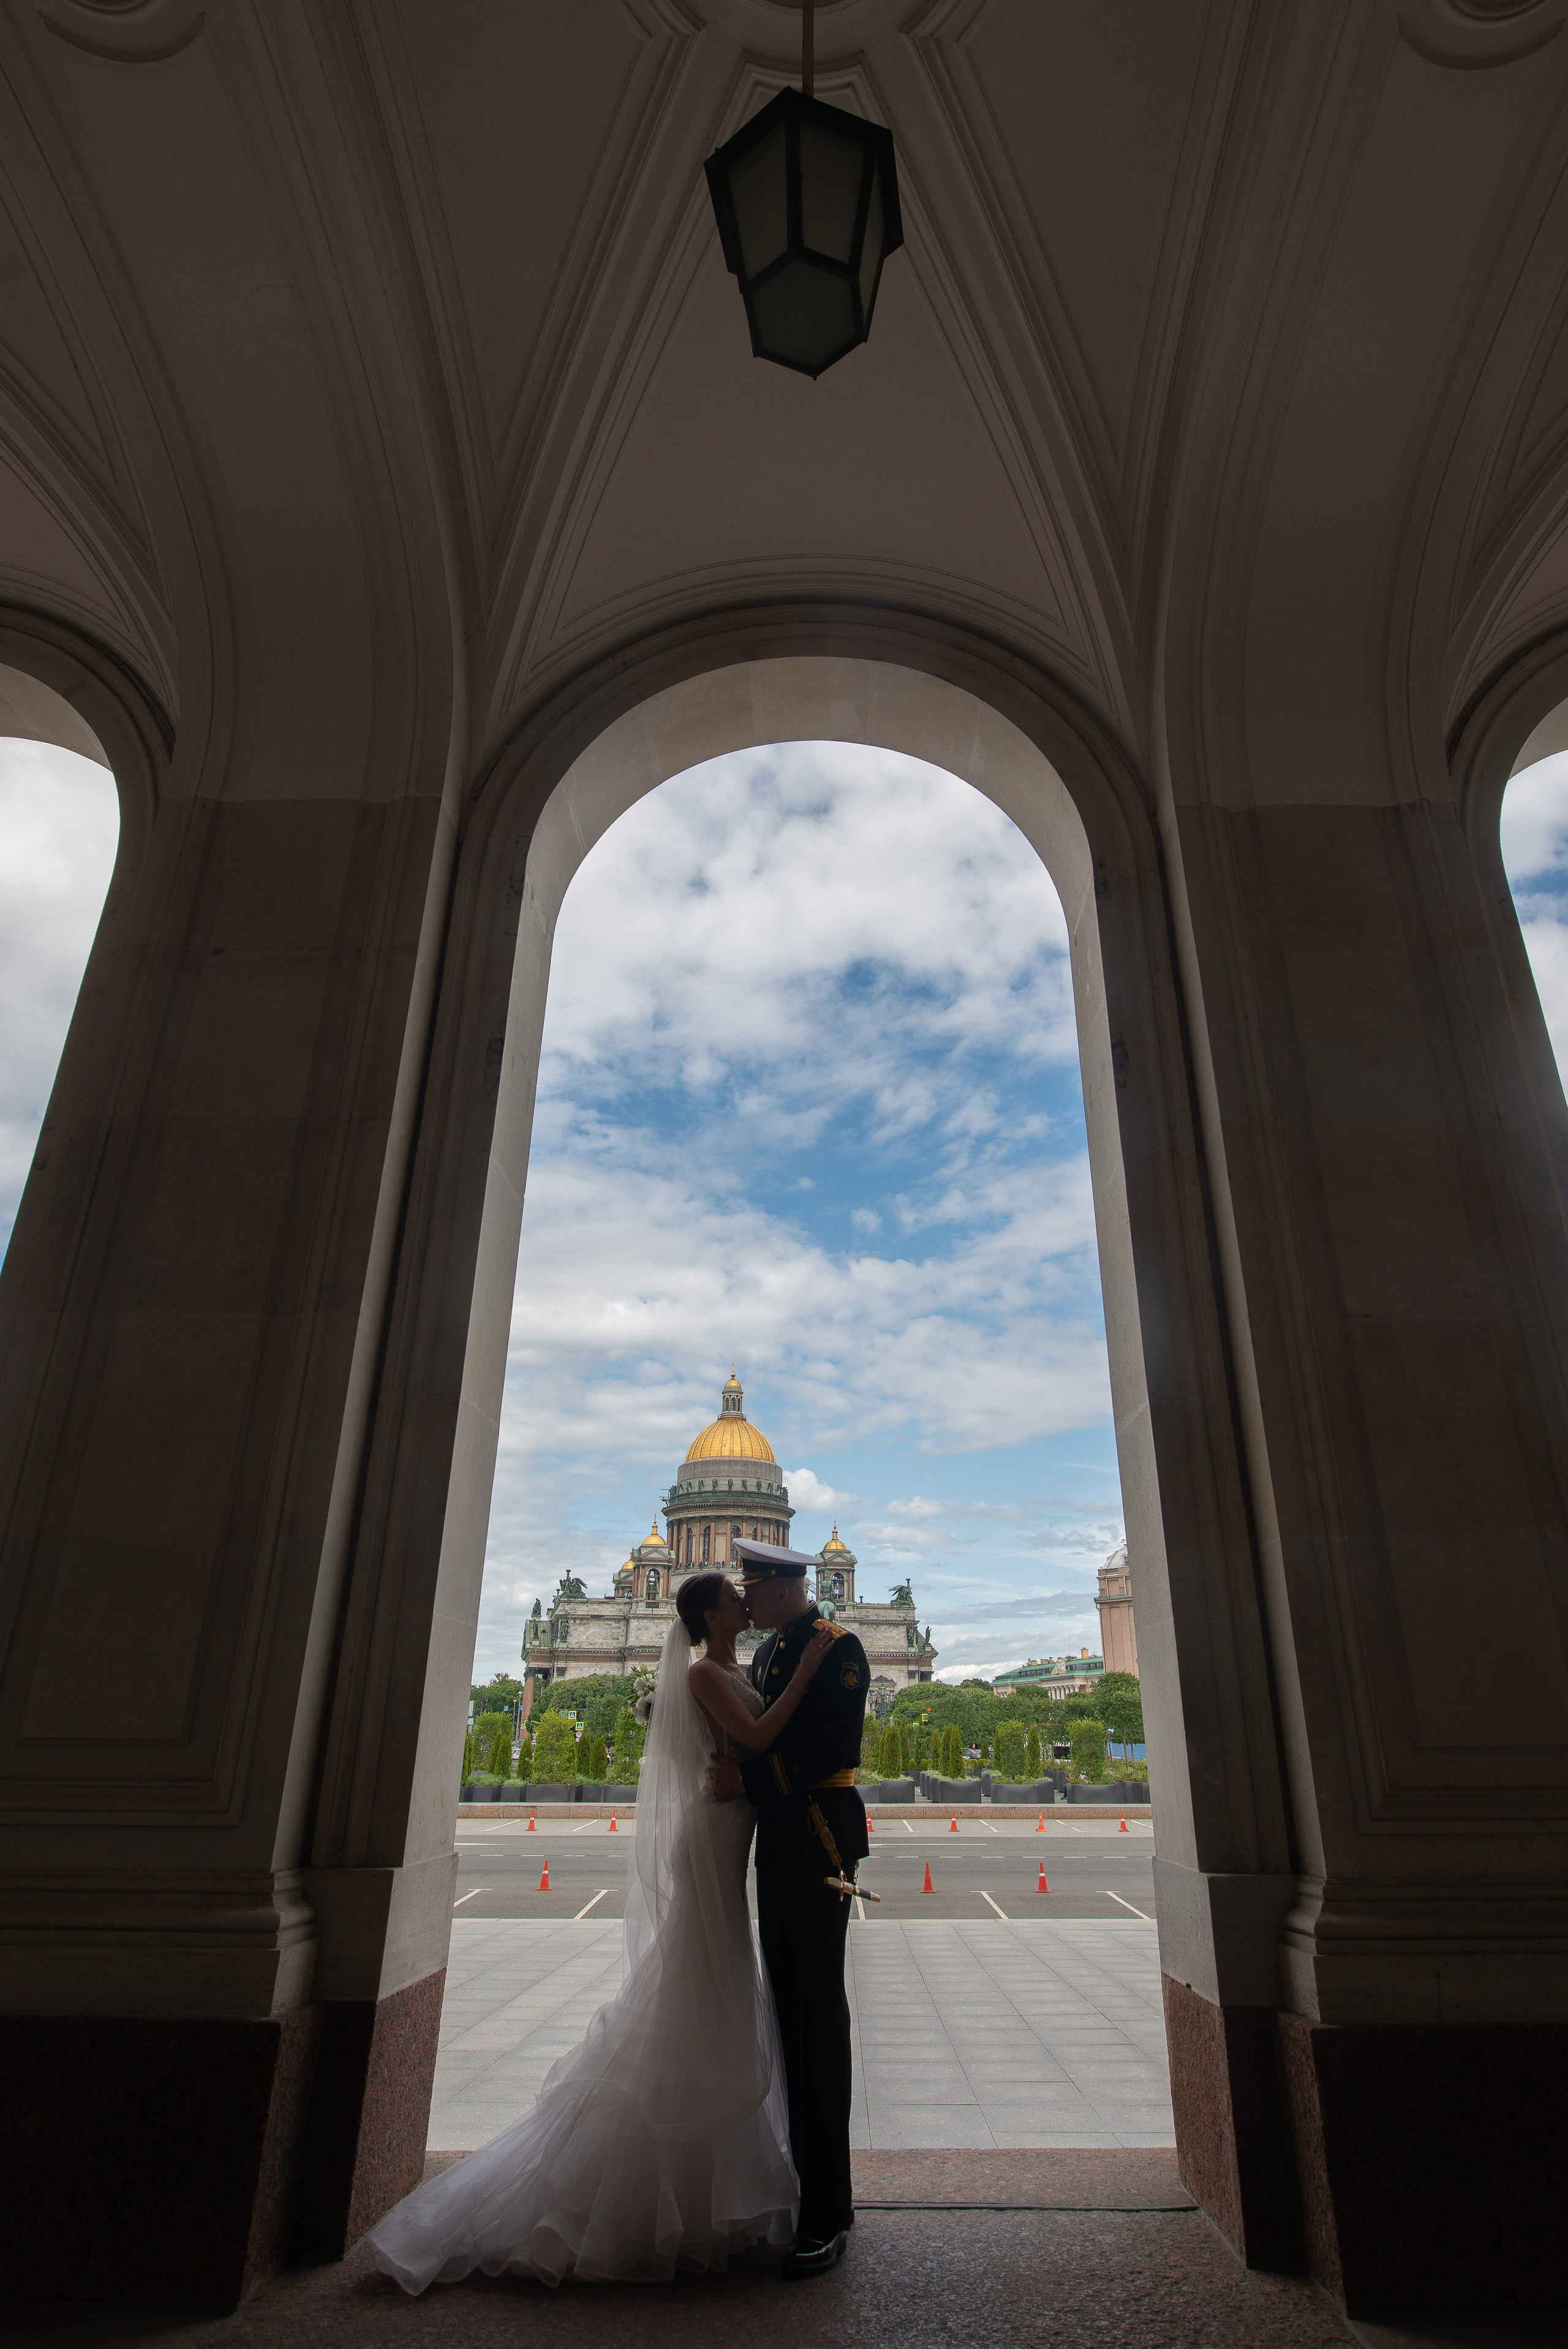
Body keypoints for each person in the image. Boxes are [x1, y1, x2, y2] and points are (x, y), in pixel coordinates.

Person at [368, 1572, 833, 2291]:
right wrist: (807, 1673)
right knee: (703, 1985)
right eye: (733, 1595)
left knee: (714, 1990)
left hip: (728, 1835)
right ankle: (660, 2198)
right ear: (709, 1611)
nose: (749, 1595)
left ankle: (704, 2193)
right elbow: (761, 1736)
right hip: (711, 1841)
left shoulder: (739, 1663)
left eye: (753, 1591)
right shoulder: (707, 1670)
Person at [706, 1540, 870, 2280]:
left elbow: (828, 1748)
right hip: (781, 1840)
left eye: (754, 1585)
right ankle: (816, 2196)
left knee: (814, 2021)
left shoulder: (837, 1646)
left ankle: (827, 2213)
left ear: (782, 1587)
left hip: (815, 1836)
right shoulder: (774, 1651)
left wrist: (745, 1781)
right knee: (791, 2016)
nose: (746, 1595)